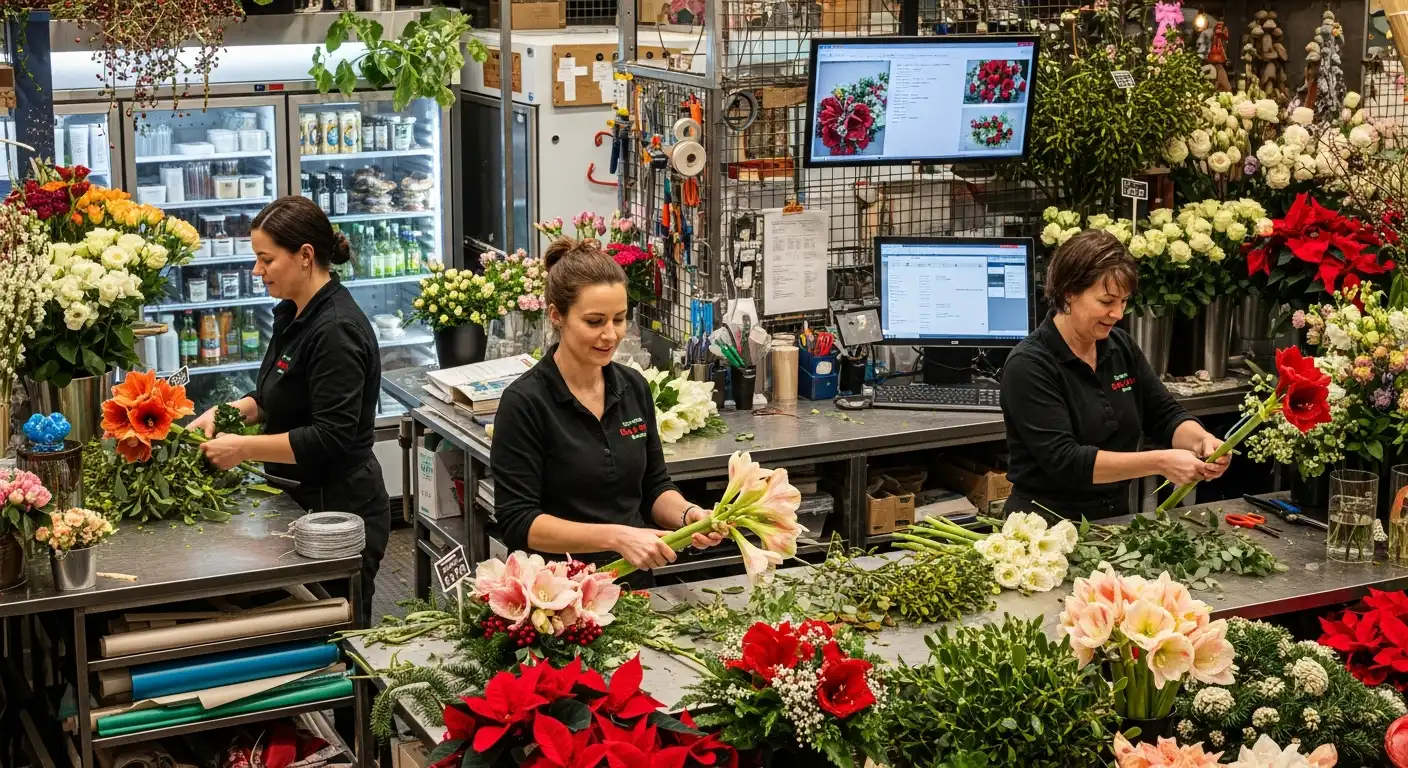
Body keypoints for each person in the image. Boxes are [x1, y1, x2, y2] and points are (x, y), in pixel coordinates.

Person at [190, 196, 388, 624]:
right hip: (301, 499)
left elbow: (330, 437)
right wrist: (230, 412)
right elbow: (278, 393)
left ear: (305, 256)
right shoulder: (295, 313)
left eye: (265, 259)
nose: (256, 271)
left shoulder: (336, 330)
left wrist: (243, 449)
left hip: (338, 511)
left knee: (340, 633)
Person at [490, 237, 723, 584]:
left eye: (619, 318)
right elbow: (518, 521)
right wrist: (617, 536)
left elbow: (653, 487)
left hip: (633, 582)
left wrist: (688, 516)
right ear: (557, 316)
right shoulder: (525, 403)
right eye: (595, 321)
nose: (610, 335)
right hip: (556, 594)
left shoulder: (632, 388)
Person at [999, 229, 1230, 519]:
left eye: (1124, 301)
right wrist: (1161, 462)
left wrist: (1201, 441)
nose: (1118, 314)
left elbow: (1164, 414)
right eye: (1107, 302)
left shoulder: (1120, 347)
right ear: (1069, 293)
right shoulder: (1030, 365)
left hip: (1114, 522)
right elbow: (1067, 462)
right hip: (1045, 527)